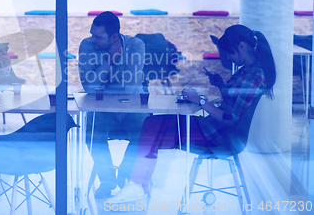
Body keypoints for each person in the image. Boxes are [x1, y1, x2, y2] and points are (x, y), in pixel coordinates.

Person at [107, 24, 276, 203]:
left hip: (217, 136)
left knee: (151, 128)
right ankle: (139, 186)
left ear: (242, 46)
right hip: (213, 130)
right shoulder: (249, 71)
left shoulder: (254, 76)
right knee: (150, 128)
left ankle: (137, 186)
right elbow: (234, 103)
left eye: (229, 53)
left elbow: (230, 119)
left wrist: (200, 101)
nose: (228, 57)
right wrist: (221, 85)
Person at [78, 11, 149, 198]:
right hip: (102, 110)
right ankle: (108, 180)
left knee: (145, 131)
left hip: (131, 108)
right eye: (92, 34)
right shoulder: (87, 46)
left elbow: (129, 88)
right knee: (91, 132)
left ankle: (125, 177)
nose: (92, 39)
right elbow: (88, 86)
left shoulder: (136, 46)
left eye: (98, 36)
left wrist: (101, 80)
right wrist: (110, 61)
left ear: (114, 36)